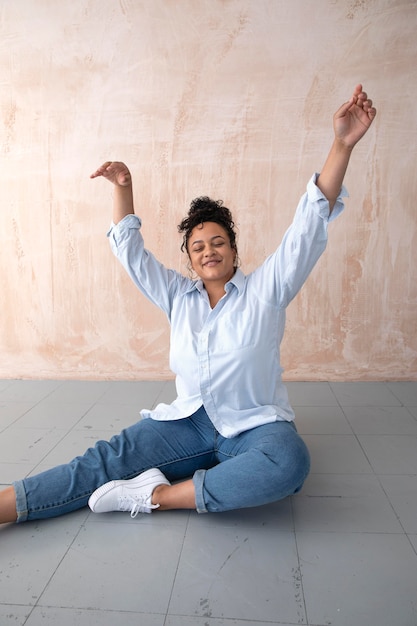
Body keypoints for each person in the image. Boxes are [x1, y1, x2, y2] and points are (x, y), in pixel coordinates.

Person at [0, 85, 376, 524]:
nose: (208, 251)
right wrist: (124, 187)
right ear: (191, 260)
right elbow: (131, 254)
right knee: (101, 461)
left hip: (253, 427)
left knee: (289, 463)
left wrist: (341, 144)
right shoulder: (179, 296)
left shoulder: (266, 290)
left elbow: (307, 227)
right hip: (185, 426)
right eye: (198, 247)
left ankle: (155, 495)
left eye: (218, 242)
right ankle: (7, 506)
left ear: (234, 251)